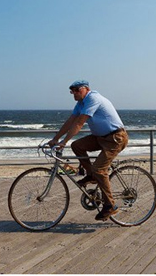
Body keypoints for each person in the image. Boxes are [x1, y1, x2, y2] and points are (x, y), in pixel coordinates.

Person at [48, 79, 128, 221]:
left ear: (85, 89)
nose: (74, 94)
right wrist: (56, 138)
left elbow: (79, 122)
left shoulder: (93, 99)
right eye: (72, 91)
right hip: (100, 137)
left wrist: (64, 142)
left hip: (115, 138)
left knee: (100, 170)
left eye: (77, 90)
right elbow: (71, 121)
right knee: (77, 146)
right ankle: (91, 175)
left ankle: (110, 205)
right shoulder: (80, 103)